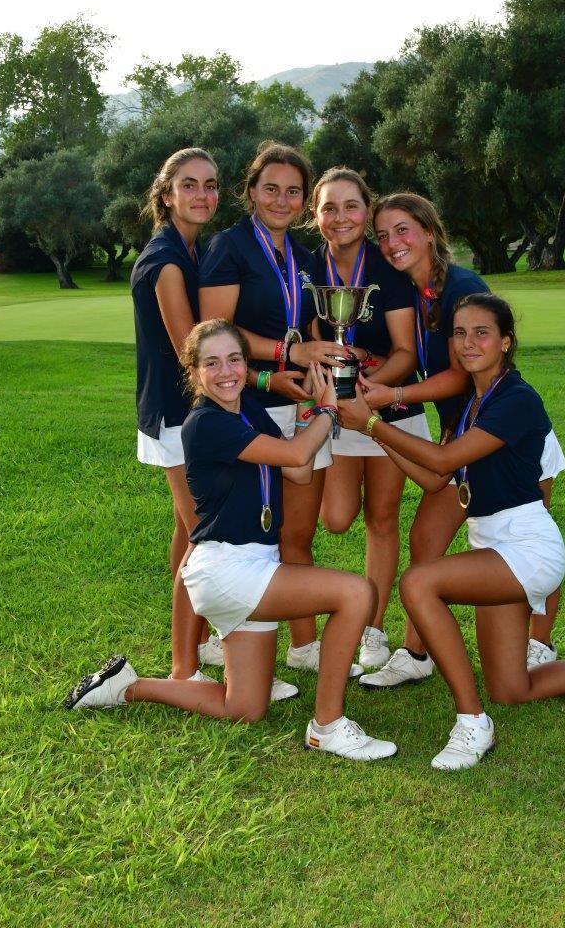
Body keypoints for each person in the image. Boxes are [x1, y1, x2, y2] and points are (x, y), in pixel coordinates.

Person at [338, 293, 565, 769]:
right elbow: (435, 478)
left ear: (506, 342)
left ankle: (472, 723)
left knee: (418, 582)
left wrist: (376, 423)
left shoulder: (516, 398)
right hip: (494, 545)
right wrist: (368, 431)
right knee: (512, 687)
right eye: (459, 333)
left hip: (527, 548)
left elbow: (443, 460)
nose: (468, 342)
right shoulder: (476, 400)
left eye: (482, 332)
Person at [65, 320, 397, 762]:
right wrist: (328, 409)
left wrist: (309, 415)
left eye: (235, 359)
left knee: (243, 708)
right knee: (356, 593)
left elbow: (297, 470)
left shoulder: (246, 412)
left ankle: (127, 687)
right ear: (194, 372)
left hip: (250, 566)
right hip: (227, 569)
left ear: (246, 364)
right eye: (212, 363)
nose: (226, 372)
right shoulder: (204, 423)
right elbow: (298, 456)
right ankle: (328, 726)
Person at [358, 194, 565, 689]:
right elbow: (419, 359)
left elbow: (458, 372)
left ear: (430, 231)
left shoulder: (461, 287)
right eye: (383, 235)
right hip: (463, 430)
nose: (393, 243)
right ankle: (416, 652)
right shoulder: (417, 290)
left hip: (505, 439)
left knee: (529, 535)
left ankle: (540, 643)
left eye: (403, 230)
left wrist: (393, 395)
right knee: (427, 536)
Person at [199, 142, 352, 675]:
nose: (282, 200)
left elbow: (308, 323)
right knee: (255, 528)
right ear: (250, 192)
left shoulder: (306, 258)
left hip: (300, 402)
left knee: (298, 533)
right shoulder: (229, 246)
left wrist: (324, 354)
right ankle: (230, 635)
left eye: (293, 191)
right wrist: (288, 354)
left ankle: (304, 645)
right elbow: (217, 331)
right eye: (271, 189)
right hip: (249, 406)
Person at [310, 168, 426, 670]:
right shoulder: (307, 264)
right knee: (336, 519)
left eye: (351, 206)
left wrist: (373, 393)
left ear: (365, 209)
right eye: (329, 207)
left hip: (390, 406)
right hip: (335, 411)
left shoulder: (389, 266)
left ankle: (373, 630)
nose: (341, 218)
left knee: (382, 519)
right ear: (315, 216)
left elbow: (406, 352)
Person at [131, 148, 219, 682]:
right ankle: (186, 666)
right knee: (206, 538)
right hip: (177, 419)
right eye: (190, 185)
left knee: (188, 534)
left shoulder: (188, 249)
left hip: (177, 415)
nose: (203, 195)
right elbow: (195, 352)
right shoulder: (166, 261)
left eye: (210, 185)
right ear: (168, 195)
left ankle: (199, 644)